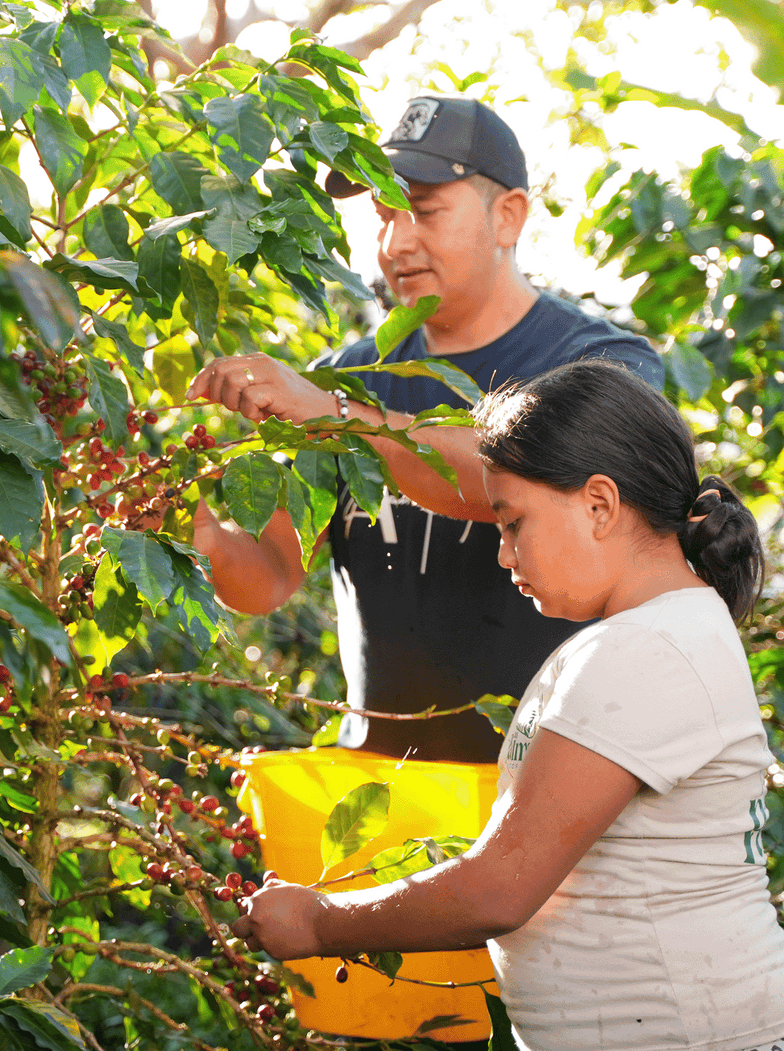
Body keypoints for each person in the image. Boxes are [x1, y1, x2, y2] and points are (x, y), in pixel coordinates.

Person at [231, 358, 784, 1051]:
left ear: (600, 505)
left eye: (513, 522)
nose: (503, 555)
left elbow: (500, 887)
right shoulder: (650, 635)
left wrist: (319, 923)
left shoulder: (651, 649)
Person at [188, 94, 665, 762]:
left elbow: (513, 475)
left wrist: (338, 416)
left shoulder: (603, 366)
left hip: (552, 789)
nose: (395, 242)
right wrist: (200, 532)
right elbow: (270, 574)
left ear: (508, 216)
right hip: (380, 788)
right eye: (384, 216)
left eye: (424, 212)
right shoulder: (347, 380)